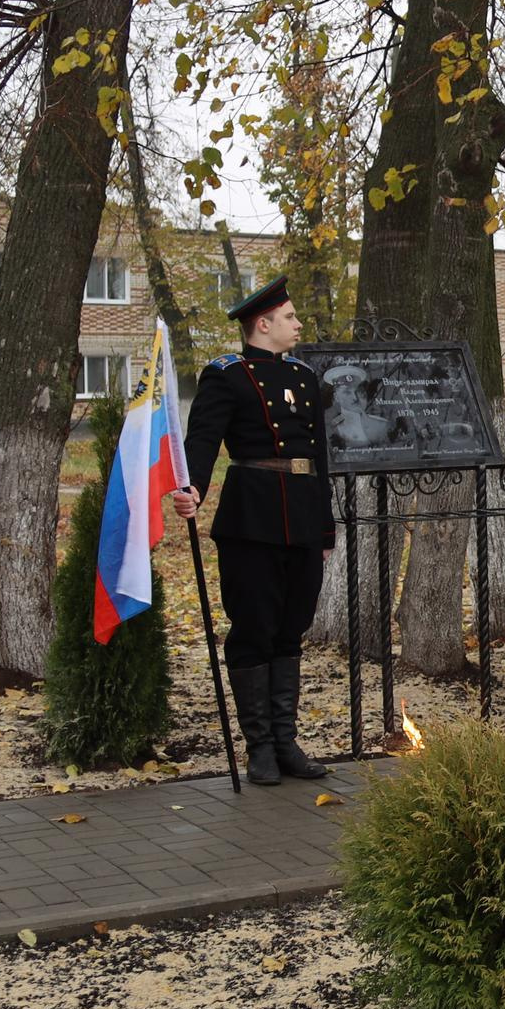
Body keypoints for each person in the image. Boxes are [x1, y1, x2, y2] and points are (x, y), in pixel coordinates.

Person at [171, 278, 333, 786]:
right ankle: (259, 746)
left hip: (303, 518)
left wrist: (325, 527)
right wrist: (193, 486)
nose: (298, 324)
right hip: (252, 518)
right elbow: (203, 439)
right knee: (253, 629)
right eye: (290, 317)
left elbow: (319, 456)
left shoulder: (304, 377)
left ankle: (285, 742)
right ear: (263, 324)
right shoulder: (227, 375)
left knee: (291, 629)